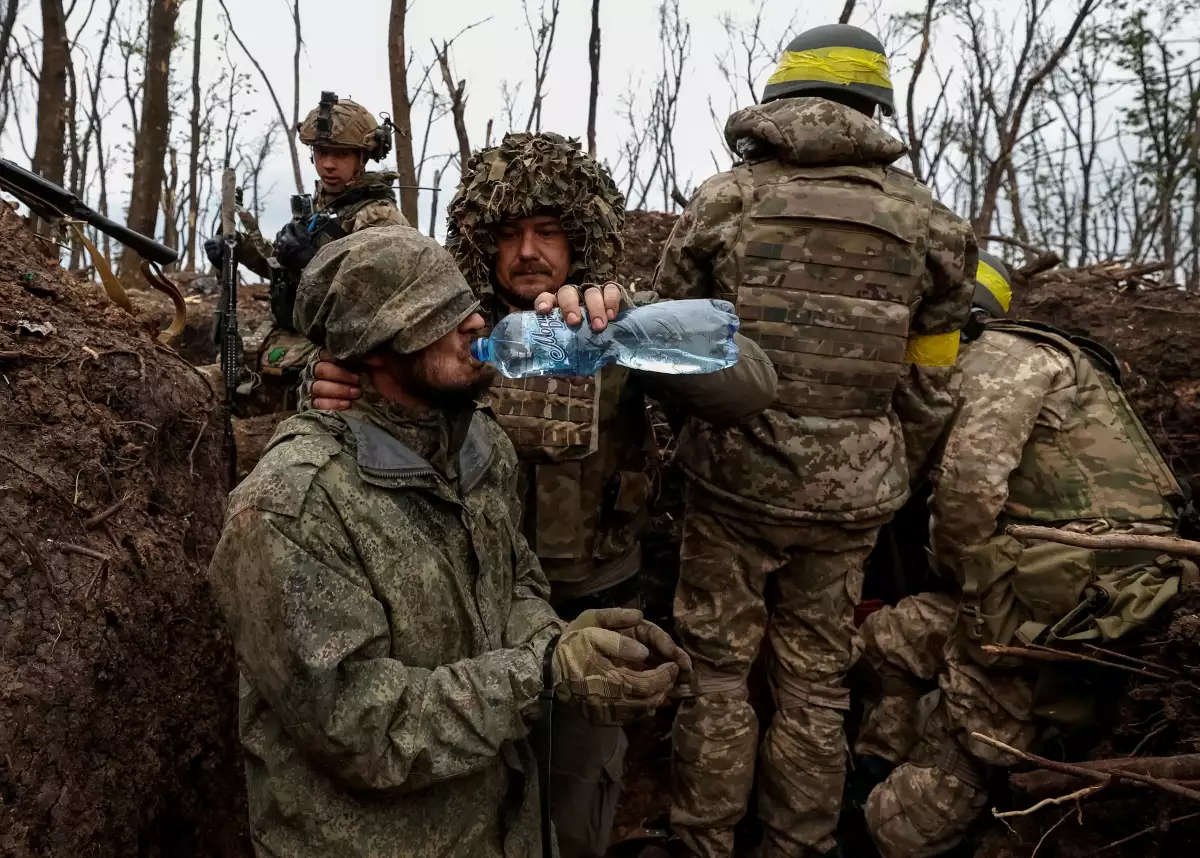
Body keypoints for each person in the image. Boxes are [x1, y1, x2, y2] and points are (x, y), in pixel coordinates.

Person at [308, 132, 778, 858]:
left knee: (575, 809)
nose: (527, 251)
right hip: (464, 616)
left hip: (591, 603)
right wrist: (327, 384)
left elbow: (751, 383)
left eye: (549, 231)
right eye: (509, 234)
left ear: (580, 235)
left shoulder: (606, 324)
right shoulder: (442, 336)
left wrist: (628, 324)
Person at [207, 225, 692, 858]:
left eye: (465, 302)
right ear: (373, 346)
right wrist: (542, 675)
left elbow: (513, 582)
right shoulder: (291, 510)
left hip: (500, 823)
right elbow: (359, 727)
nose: (474, 322)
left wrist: (566, 645)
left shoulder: (478, 445)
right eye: (438, 314)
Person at [651, 23, 978, 858]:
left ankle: (703, 843)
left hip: (730, 485)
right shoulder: (932, 224)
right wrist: (878, 460)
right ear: (875, 103)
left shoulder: (726, 200)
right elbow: (932, 384)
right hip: (852, 502)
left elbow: (671, 345)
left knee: (717, 675)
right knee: (816, 681)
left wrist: (707, 437)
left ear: (782, 96)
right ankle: (797, 845)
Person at [856, 250, 1195, 857]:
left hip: (1068, 587)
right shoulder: (1016, 356)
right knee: (887, 637)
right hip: (1059, 572)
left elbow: (968, 490)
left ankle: (897, 822)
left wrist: (957, 573)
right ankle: (879, 765)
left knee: (953, 758)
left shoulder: (1003, 361)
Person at [206, 92, 408, 391]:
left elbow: (384, 298)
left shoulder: (379, 217)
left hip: (341, 351)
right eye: (321, 152)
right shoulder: (319, 208)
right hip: (290, 334)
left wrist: (315, 263)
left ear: (363, 157)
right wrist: (238, 253)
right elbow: (282, 268)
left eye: (340, 154)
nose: (328, 164)